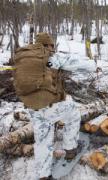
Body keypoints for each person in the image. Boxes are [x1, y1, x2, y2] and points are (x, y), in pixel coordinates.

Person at [13, 33, 83, 180]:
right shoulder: (53, 58)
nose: (53, 48)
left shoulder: (25, 57)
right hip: (50, 106)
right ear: (49, 45)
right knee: (74, 113)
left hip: (32, 106)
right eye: (52, 45)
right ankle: (70, 149)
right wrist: (93, 65)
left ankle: (43, 175)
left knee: (42, 141)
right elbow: (84, 65)